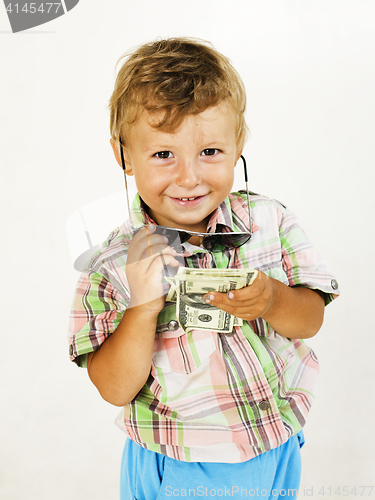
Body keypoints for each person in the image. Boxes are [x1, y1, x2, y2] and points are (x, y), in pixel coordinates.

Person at [68, 38, 339, 499]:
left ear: (238, 148)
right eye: (162, 154)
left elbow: (311, 320)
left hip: (275, 440)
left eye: (210, 152)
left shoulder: (270, 222)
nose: (189, 177)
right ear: (124, 156)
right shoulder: (112, 262)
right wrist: (142, 309)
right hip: (183, 459)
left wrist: (274, 298)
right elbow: (113, 388)